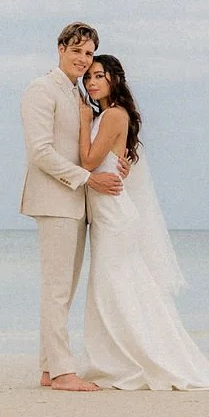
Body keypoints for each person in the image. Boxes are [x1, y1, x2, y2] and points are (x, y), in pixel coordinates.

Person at [79, 55, 209, 391]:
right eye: (89, 76)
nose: (92, 82)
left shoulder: (112, 115)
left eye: (99, 76)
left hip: (114, 216)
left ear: (114, 80)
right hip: (108, 212)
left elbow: (88, 160)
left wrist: (80, 119)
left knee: (115, 287)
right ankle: (118, 361)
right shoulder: (105, 116)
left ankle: (133, 363)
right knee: (115, 287)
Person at [19, 23, 125, 393]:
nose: (83, 59)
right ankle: (63, 372)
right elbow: (40, 152)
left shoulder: (80, 94)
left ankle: (50, 369)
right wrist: (86, 178)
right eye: (77, 51)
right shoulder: (41, 89)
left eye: (89, 53)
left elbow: (92, 143)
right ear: (61, 48)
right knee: (57, 289)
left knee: (65, 288)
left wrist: (116, 164)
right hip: (54, 200)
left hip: (78, 204)